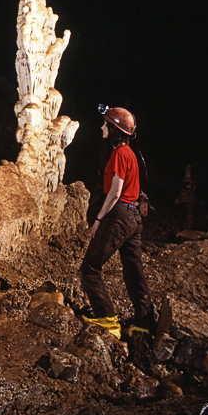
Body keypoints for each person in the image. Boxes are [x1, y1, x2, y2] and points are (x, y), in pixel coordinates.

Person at [79, 105, 156, 339]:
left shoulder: (120, 153)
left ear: (115, 129)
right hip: (134, 217)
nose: (102, 127)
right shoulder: (130, 154)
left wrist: (99, 219)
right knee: (133, 271)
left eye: (106, 124)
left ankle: (106, 319)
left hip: (121, 213)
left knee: (90, 268)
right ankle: (145, 322)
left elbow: (115, 192)